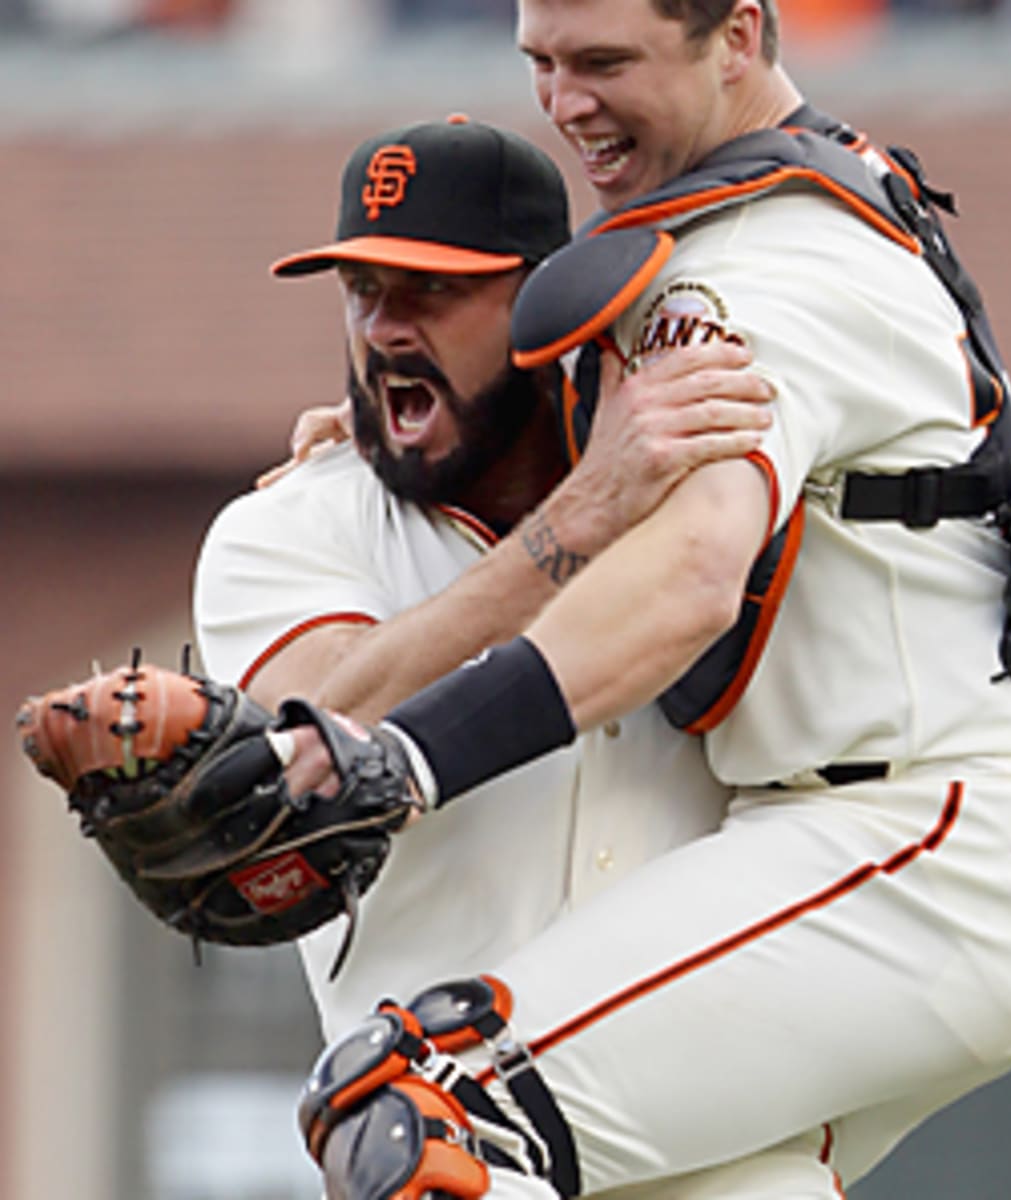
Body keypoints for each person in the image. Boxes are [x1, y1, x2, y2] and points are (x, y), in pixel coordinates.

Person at [268, 3, 1011, 1197]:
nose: (565, 103)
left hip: (921, 848)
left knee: (418, 1110)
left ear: (739, 37)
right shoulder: (760, 213)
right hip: (857, 844)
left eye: (606, 62)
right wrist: (390, 430)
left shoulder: (778, 261)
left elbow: (691, 574)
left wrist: (411, 756)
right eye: (543, 64)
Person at [192, 115, 775, 1041]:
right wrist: (579, 520)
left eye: (432, 290)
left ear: (546, 305)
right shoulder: (286, 526)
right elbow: (325, 744)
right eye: (362, 291)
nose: (384, 327)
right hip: (440, 1130)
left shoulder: (686, 488)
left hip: (704, 1114)